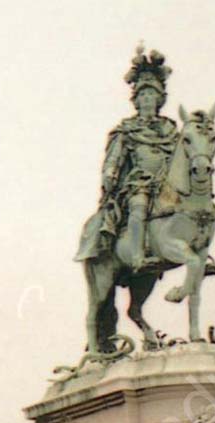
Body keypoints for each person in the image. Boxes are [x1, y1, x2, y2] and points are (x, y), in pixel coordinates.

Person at [75, 46, 177, 270]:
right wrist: (110, 174)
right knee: (139, 206)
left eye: (152, 94)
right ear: (137, 101)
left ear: (160, 100)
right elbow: (113, 159)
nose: (148, 99)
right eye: (143, 95)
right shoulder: (127, 130)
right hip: (138, 184)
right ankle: (138, 257)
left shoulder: (171, 130)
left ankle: (198, 250)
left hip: (168, 188)